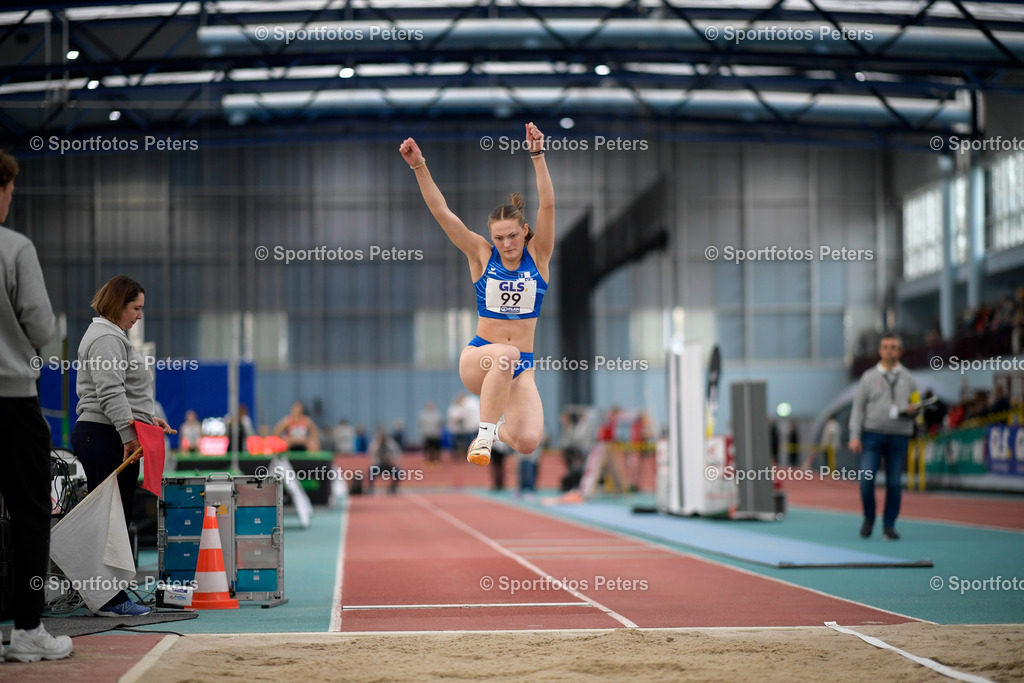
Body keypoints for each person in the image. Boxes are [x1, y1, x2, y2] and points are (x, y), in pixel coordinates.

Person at [401, 122, 553, 466]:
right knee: (506, 353)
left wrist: (537, 155)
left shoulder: (539, 257)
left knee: (528, 441)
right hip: (480, 358)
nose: (506, 244)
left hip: (520, 367)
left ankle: (497, 431)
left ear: (525, 231)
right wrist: (419, 166)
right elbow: (442, 212)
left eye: (513, 236)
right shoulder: (481, 255)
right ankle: (483, 436)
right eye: (498, 238)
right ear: (490, 237)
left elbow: (548, 207)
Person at [0, 149, 73, 662]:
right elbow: (42, 328)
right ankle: (27, 628)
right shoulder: (14, 248)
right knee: (29, 511)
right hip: (11, 398)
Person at [71, 275, 173, 616]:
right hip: (105, 437)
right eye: (136, 308)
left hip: (108, 433)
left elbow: (121, 394)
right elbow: (110, 393)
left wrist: (144, 420)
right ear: (118, 304)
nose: (139, 316)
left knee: (115, 518)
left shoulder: (110, 336)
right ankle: (110, 601)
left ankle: (109, 596)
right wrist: (130, 437)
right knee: (111, 520)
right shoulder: (105, 339)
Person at [848, 334, 920, 540]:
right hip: (872, 434)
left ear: (900, 351)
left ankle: (889, 525)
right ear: (880, 351)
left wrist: (915, 410)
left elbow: (918, 405)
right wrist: (855, 435)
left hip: (899, 435)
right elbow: (858, 408)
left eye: (894, 347)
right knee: (866, 479)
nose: (890, 350)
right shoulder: (868, 377)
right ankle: (869, 517)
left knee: (895, 483)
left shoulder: (909, 378)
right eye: (886, 347)